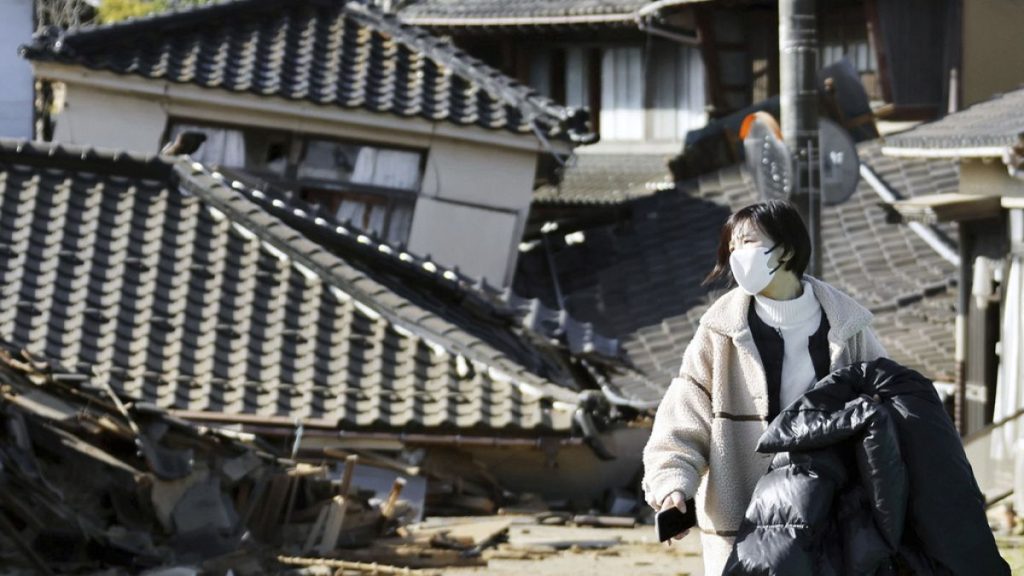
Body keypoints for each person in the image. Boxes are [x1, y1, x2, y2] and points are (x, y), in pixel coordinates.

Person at [641, 199, 887, 576]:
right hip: (742, 518)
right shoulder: (718, 332)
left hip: (831, 510)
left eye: (749, 242)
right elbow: (682, 419)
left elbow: (890, 408)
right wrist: (672, 484)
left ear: (786, 249)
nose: (738, 255)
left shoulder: (848, 328)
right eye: (732, 246)